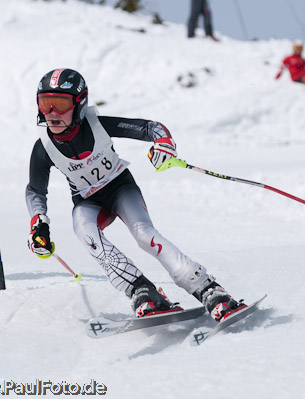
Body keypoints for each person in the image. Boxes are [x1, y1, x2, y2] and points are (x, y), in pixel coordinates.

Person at [26, 68, 245, 322]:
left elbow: (151, 128)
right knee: (83, 229)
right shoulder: (43, 147)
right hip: (89, 202)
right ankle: (141, 290)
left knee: (144, 235)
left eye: (60, 104)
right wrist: (38, 223)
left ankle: (207, 289)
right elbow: (35, 190)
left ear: (80, 103)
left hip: (120, 189)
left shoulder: (97, 125)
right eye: (45, 103)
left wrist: (163, 143)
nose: (52, 113)